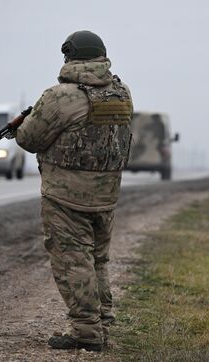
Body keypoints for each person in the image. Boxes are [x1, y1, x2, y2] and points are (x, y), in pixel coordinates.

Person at [14, 30, 133, 352]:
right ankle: (102, 322)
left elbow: (30, 140)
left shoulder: (60, 96)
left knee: (73, 261)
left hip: (66, 195)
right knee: (98, 260)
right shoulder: (121, 92)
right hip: (107, 193)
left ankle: (87, 333)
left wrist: (19, 128)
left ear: (69, 55)